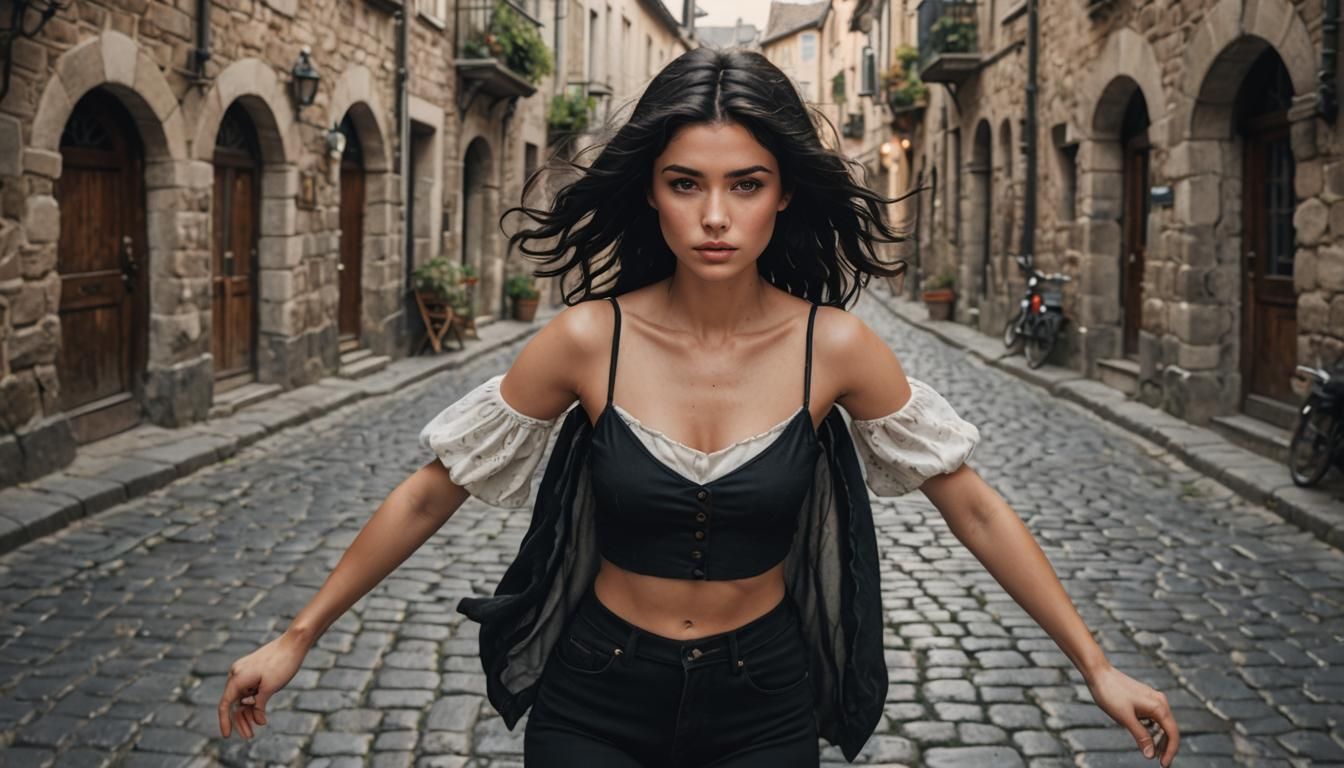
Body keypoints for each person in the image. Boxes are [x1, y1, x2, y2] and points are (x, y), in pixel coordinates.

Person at [218, 47, 1180, 767]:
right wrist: (297, 635)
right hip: (592, 693)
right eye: (686, 185)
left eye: (745, 185)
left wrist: (1095, 665)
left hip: (762, 698)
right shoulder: (587, 340)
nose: (715, 216)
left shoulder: (834, 348)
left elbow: (969, 503)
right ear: (654, 195)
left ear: (783, 199)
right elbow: (434, 491)